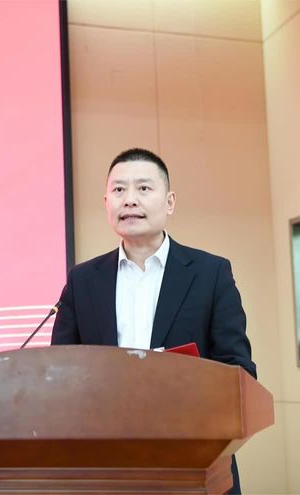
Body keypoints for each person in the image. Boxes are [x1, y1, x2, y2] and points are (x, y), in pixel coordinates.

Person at [51, 147, 257, 494]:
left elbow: (240, 372)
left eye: (144, 188)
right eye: (119, 190)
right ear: (106, 203)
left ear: (169, 202)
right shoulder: (83, 280)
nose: (129, 199)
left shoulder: (211, 273)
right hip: (104, 468)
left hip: (195, 465)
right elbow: (58, 372)